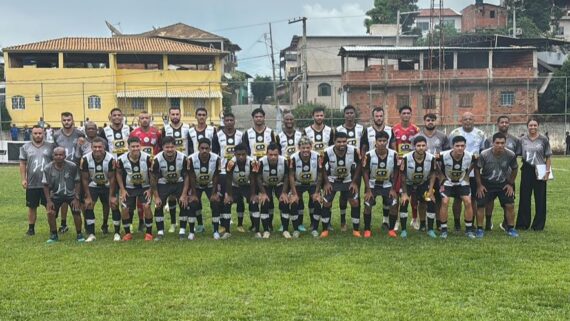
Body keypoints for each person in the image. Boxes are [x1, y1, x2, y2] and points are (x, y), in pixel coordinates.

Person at [475, 133, 519, 238]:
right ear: (492, 143)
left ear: (505, 143)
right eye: (497, 143)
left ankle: (511, 228)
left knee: (510, 205)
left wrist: (510, 184)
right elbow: (477, 169)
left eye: (502, 143)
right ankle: (480, 229)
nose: (500, 145)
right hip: (487, 182)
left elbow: (515, 168)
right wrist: (480, 185)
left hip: (503, 183)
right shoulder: (484, 154)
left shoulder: (510, 155)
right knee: (480, 205)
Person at [448, 112, 486, 232]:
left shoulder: (481, 134)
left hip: (474, 173)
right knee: (458, 199)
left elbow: (483, 152)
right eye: (465, 119)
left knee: (472, 199)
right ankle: (457, 223)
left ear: (474, 120)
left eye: (470, 119)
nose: (468, 121)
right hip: (457, 171)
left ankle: (471, 223)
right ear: (461, 120)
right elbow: (450, 150)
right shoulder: (455, 133)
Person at [483, 115, 521, 231]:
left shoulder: (515, 140)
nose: (504, 124)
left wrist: (511, 181)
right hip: (490, 176)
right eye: (501, 122)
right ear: (497, 124)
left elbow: (515, 160)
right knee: (489, 201)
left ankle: (506, 224)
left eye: (506, 122)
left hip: (507, 177)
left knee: (508, 202)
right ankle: (488, 223)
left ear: (509, 124)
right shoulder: (489, 140)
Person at [412, 113, 450, 230]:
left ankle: (439, 223)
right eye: (428, 120)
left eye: (433, 120)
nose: (430, 122)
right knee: (422, 200)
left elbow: (447, 153)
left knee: (438, 199)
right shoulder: (417, 136)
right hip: (423, 173)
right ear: (424, 121)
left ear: (435, 122)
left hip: (438, 173)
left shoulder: (442, 136)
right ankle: (423, 224)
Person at [322, 132, 361, 237]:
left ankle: (356, 230)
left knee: (355, 202)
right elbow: (321, 166)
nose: (342, 144)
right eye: (339, 142)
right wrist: (326, 182)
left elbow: (359, 165)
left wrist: (354, 182)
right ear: (334, 141)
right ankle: (325, 230)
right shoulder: (327, 152)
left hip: (347, 180)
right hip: (332, 180)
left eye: (344, 141)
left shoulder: (353, 150)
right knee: (326, 202)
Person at [244, 107, 278, 230]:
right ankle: (254, 224)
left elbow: (275, 148)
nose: (258, 118)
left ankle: (269, 223)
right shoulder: (247, 133)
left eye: (260, 116)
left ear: (264, 118)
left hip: (267, 168)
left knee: (268, 196)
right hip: (253, 170)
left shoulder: (270, 132)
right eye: (256, 116)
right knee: (253, 196)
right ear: (253, 119)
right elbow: (245, 151)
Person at [212, 113, 246, 234]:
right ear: (224, 121)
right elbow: (215, 153)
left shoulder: (240, 135)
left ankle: (240, 224)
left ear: (234, 121)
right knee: (223, 198)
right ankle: (223, 223)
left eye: (231, 120)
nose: (229, 122)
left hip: (238, 171)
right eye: (227, 120)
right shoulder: (217, 135)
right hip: (222, 171)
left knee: (240, 198)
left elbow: (245, 151)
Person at [115, 137, 153, 241]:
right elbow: (118, 174)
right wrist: (122, 189)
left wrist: (150, 189)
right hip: (129, 188)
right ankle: (128, 233)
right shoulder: (121, 159)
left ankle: (149, 233)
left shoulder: (148, 158)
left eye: (137, 146)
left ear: (140, 146)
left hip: (144, 187)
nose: (135, 148)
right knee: (124, 208)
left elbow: (153, 174)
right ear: (128, 147)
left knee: (146, 206)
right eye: (133, 147)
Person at [517, 118, 552, 231]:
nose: (532, 127)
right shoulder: (522, 139)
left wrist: (547, 172)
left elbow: (548, 156)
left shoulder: (543, 139)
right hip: (527, 169)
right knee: (524, 197)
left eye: (535, 125)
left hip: (540, 169)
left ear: (538, 126)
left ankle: (538, 225)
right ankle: (523, 223)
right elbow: (516, 153)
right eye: (530, 125)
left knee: (540, 197)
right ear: (527, 126)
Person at [151, 136, 189, 241]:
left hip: (179, 182)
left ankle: (182, 231)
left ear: (175, 147)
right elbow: (153, 178)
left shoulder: (183, 158)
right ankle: (160, 232)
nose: (169, 149)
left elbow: (186, 176)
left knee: (183, 203)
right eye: (167, 147)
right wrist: (156, 196)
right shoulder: (157, 159)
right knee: (158, 205)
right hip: (164, 183)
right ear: (162, 147)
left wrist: (184, 194)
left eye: (172, 147)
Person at [130, 111, 162, 233]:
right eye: (142, 118)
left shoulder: (157, 132)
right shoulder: (134, 133)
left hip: (153, 167)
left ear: (150, 119)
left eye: (147, 118)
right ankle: (141, 221)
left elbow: (160, 146)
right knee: (140, 194)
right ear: (139, 120)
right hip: (139, 166)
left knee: (153, 191)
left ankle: (154, 219)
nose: (144, 120)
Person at [437, 136, 475, 239]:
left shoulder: (471, 156)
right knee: (445, 201)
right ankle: (444, 230)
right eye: (457, 146)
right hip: (447, 182)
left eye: (462, 146)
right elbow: (432, 160)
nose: (460, 148)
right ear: (452, 146)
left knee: (468, 201)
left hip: (462, 182)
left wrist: (467, 175)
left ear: (465, 146)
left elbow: (477, 162)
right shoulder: (443, 155)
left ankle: (469, 230)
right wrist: (440, 175)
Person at [42, 147, 82, 243]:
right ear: (53, 156)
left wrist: (76, 198)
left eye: (61, 155)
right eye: (56, 155)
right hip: (55, 195)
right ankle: (54, 235)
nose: (59, 157)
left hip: (71, 195)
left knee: (76, 211)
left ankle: (79, 235)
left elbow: (77, 182)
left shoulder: (72, 166)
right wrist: (48, 201)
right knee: (50, 212)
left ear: (65, 156)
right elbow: (45, 185)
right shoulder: (48, 168)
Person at [362, 131, 398, 238]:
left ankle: (391, 229)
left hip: (387, 185)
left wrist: (393, 188)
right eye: (379, 141)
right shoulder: (369, 155)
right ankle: (367, 229)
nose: (382, 143)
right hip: (373, 185)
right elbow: (365, 172)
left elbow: (396, 172)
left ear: (387, 142)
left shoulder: (394, 154)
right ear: (375, 142)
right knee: (367, 205)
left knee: (394, 204)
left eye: (384, 141)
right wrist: (368, 190)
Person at [53, 112, 85, 234]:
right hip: (62, 168)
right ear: (61, 121)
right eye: (64, 120)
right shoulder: (56, 135)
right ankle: (63, 223)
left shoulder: (79, 134)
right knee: (63, 196)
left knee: (79, 197)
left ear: (73, 120)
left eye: (69, 120)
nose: (67, 122)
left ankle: (83, 224)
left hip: (77, 169)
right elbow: (54, 152)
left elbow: (84, 149)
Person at [399, 136, 437, 239]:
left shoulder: (431, 158)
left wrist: (430, 190)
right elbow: (402, 175)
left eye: (423, 145)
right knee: (404, 202)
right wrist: (404, 193)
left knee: (430, 201)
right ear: (414, 146)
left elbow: (433, 174)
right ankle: (403, 230)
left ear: (426, 146)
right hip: (408, 184)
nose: (421, 148)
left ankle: (429, 229)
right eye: (418, 145)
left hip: (422, 184)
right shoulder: (406, 157)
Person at [161, 107, 191, 234]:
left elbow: (191, 144)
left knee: (184, 195)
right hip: (169, 163)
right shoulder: (165, 129)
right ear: (169, 115)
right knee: (171, 197)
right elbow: (161, 144)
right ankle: (173, 223)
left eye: (177, 114)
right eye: (172, 114)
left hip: (184, 163)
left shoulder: (187, 128)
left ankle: (187, 223)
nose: (175, 116)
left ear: (180, 114)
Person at [19, 126, 54, 236]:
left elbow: (56, 163)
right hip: (32, 183)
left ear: (43, 133)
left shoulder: (51, 146)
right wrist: (24, 179)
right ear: (32, 134)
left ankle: (52, 229)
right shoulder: (25, 147)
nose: (38, 135)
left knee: (49, 206)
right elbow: (23, 163)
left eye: (40, 133)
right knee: (32, 207)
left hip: (47, 183)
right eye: (35, 133)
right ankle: (31, 229)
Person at [303, 106, 334, 231]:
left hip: (327, 168)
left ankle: (328, 221)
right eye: (317, 115)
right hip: (312, 168)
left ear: (324, 116)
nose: (319, 117)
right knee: (313, 195)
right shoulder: (306, 131)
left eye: (321, 115)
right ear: (313, 116)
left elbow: (332, 148)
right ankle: (313, 221)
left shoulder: (330, 130)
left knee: (327, 195)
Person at [80, 137, 116, 242]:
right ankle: (91, 233)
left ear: (104, 147)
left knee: (110, 204)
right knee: (89, 204)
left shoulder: (110, 159)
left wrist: (112, 195)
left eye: (99, 147)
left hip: (107, 184)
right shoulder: (85, 159)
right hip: (93, 184)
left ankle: (106, 224)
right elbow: (85, 179)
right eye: (94, 147)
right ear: (91, 147)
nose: (97, 149)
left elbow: (112, 178)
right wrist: (87, 196)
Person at [188, 107, 217, 233]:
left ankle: (217, 223)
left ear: (206, 116)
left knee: (215, 200)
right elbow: (189, 148)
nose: (201, 117)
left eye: (203, 115)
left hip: (209, 165)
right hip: (195, 165)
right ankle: (199, 224)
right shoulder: (190, 131)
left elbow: (215, 147)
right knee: (195, 200)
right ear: (196, 116)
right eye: (199, 114)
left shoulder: (212, 130)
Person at [391, 105, 420, 230]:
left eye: (408, 113)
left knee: (414, 194)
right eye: (404, 113)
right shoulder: (394, 129)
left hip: (411, 165)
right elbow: (392, 147)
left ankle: (414, 219)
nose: (406, 115)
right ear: (400, 114)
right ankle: (397, 220)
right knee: (398, 192)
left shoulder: (416, 129)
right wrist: (397, 159)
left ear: (411, 115)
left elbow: (418, 146)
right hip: (398, 166)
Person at [335, 105, 364, 231]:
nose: (350, 115)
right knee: (343, 194)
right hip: (342, 165)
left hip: (356, 166)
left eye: (352, 113)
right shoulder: (338, 129)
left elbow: (364, 145)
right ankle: (343, 221)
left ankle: (356, 222)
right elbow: (334, 146)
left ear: (355, 114)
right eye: (347, 113)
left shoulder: (361, 129)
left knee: (355, 193)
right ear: (344, 115)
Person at [186, 138, 222, 240]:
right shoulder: (191, 159)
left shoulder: (216, 158)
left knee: (215, 202)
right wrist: (193, 193)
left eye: (207, 148)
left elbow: (216, 176)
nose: (204, 150)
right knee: (193, 203)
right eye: (202, 148)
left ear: (210, 148)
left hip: (210, 184)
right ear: (198, 148)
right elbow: (191, 176)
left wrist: (214, 193)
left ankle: (215, 231)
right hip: (196, 185)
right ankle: (192, 231)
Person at [288, 137, 324, 238]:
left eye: (307, 147)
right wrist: (294, 194)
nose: (305, 150)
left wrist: (317, 192)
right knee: (294, 202)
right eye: (303, 148)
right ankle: (296, 229)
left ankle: (315, 228)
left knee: (316, 202)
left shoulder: (317, 156)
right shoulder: (293, 158)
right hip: (298, 184)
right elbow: (291, 175)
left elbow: (320, 174)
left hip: (313, 183)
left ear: (311, 147)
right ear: (299, 147)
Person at [223, 144, 258, 238]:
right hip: (234, 185)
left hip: (247, 185)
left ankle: (256, 229)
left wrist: (253, 194)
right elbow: (228, 179)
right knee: (227, 202)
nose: (241, 157)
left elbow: (253, 179)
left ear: (247, 153)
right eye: (238, 154)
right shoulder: (230, 163)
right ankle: (227, 231)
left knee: (254, 201)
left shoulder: (253, 162)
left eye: (243, 154)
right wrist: (229, 195)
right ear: (234, 154)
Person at [256, 143, 290, 238]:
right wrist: (263, 193)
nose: (273, 157)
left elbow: (287, 177)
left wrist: (284, 193)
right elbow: (258, 178)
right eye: (270, 155)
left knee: (284, 201)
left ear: (279, 154)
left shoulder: (284, 161)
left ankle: (285, 230)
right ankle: (266, 230)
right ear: (266, 154)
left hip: (280, 184)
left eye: (275, 155)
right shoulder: (261, 162)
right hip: (265, 185)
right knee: (265, 202)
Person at [278, 112, 304, 231]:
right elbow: (277, 153)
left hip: (297, 168)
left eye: (291, 119)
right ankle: (283, 222)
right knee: (284, 196)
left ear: (294, 121)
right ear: (283, 121)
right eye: (286, 119)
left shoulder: (300, 134)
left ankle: (300, 222)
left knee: (299, 195)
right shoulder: (278, 136)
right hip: (284, 169)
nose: (289, 121)